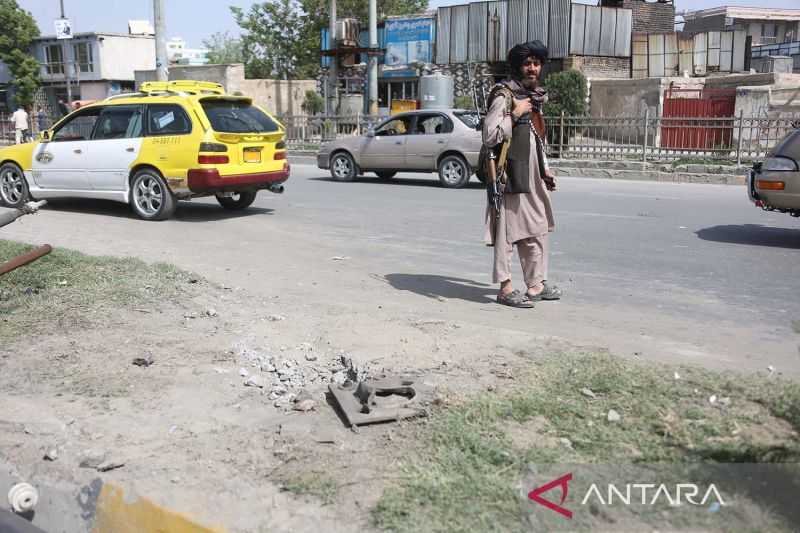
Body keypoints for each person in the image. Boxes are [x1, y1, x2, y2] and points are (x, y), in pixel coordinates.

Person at [482, 40, 562, 308]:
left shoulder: (533, 96)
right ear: (518, 66)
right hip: (509, 175)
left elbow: (536, 139)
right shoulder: (504, 95)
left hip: (532, 176)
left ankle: (535, 284)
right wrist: (514, 114)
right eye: (527, 63)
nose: (532, 68)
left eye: (536, 63)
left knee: (536, 230)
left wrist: (545, 169)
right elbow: (490, 135)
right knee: (506, 233)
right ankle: (505, 288)